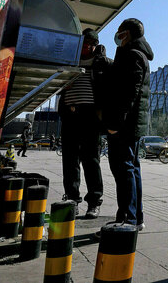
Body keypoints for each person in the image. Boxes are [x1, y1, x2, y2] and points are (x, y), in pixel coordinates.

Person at [103, 18, 153, 230]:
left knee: (124, 170)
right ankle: (134, 218)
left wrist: (116, 122)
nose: (117, 36)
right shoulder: (134, 55)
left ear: (127, 34)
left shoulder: (133, 55)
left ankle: (127, 220)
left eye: (119, 32)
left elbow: (128, 93)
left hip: (124, 125)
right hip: (130, 124)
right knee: (131, 170)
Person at [57, 28, 109, 218]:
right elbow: (55, 85)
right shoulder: (69, 60)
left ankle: (94, 202)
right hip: (70, 114)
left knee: (91, 160)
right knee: (70, 160)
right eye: (84, 44)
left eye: (90, 45)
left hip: (90, 115)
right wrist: (62, 85)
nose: (87, 48)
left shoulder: (101, 63)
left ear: (96, 45)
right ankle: (72, 198)